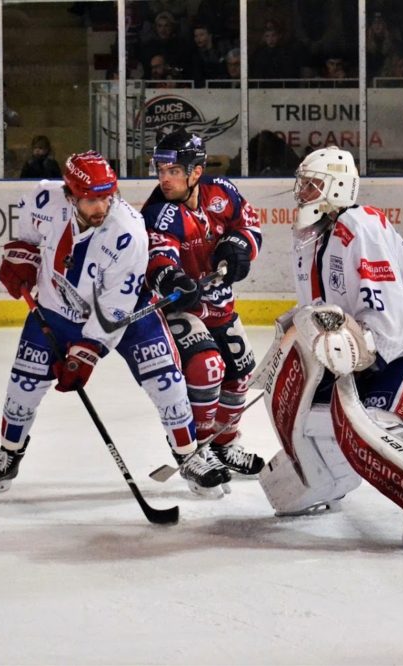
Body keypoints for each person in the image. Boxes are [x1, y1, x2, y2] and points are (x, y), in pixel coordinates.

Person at [253, 145, 403, 548]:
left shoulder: (359, 226)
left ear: (338, 188)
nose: (302, 193)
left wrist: (362, 349)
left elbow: (391, 319)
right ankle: (323, 480)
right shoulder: (313, 238)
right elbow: (318, 311)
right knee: (324, 415)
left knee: (377, 419)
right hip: (379, 345)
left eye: (312, 185)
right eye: (303, 185)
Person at [0, 151, 228, 498]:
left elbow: (114, 308)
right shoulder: (44, 197)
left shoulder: (128, 231)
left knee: (166, 381)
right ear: (71, 195)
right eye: (91, 199)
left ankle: (189, 455)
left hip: (129, 312)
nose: (101, 207)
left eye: (107, 196)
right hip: (55, 309)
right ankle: (8, 455)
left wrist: (85, 353)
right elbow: (27, 236)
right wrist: (21, 259)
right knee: (23, 385)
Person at [140, 130, 265, 476]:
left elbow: (250, 225)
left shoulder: (221, 192)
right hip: (181, 308)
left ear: (196, 172)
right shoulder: (159, 212)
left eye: (173, 171)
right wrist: (172, 279)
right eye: (160, 170)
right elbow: (159, 258)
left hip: (220, 304)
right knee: (208, 366)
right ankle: (198, 447)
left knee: (241, 372)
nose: (164, 178)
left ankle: (224, 444)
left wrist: (238, 247)